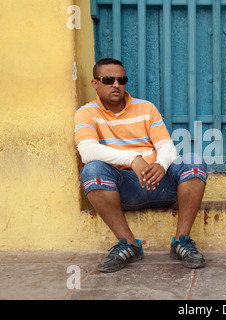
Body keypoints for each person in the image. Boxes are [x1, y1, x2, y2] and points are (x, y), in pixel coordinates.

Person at [74, 58, 208, 273]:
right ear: (95, 83)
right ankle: (129, 244)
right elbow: (87, 151)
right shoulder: (86, 113)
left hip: (160, 182)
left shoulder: (146, 108)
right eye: (108, 80)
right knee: (92, 170)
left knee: (193, 160)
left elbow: (166, 145)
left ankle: (181, 241)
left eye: (121, 80)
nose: (116, 85)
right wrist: (131, 159)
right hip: (124, 188)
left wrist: (162, 164)